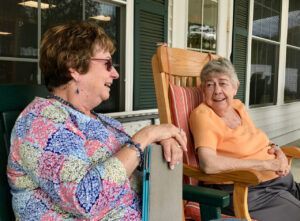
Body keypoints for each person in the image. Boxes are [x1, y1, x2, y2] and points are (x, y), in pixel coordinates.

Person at [7, 21, 187, 221]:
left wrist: (162, 142)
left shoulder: (104, 122)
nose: (115, 73)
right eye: (107, 63)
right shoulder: (40, 121)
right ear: (74, 67)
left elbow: (135, 159)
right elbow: (86, 198)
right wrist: (146, 136)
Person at [189, 57, 300, 221]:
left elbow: (257, 140)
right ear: (203, 90)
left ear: (235, 87)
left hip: (279, 181)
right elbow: (209, 164)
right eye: (210, 84)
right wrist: (266, 164)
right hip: (250, 189)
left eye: (223, 83)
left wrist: (278, 151)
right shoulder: (203, 115)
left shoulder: (237, 106)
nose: (217, 90)